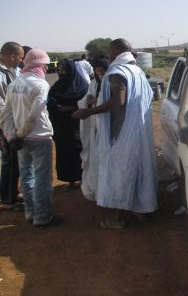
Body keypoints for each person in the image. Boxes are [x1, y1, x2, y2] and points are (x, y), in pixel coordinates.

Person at [73, 38, 157, 228]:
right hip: (138, 130)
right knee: (137, 168)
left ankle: (118, 218)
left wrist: (89, 112)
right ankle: (141, 207)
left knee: (121, 171)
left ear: (115, 52)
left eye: (110, 51)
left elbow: (118, 101)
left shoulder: (117, 72)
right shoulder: (137, 71)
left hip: (120, 133)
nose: (109, 55)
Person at [0, 49, 63, 227]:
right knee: (42, 178)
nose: (45, 68)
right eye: (44, 65)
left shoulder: (15, 84)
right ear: (40, 66)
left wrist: (13, 136)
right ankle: (43, 217)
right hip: (39, 137)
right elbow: (35, 114)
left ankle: (30, 212)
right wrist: (20, 134)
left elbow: (5, 114)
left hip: (20, 141)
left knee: (26, 176)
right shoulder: (41, 85)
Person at [47, 59, 88, 190]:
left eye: (64, 70)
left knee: (79, 149)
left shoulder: (82, 86)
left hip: (78, 124)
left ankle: (84, 178)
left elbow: (87, 103)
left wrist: (71, 107)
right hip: (61, 125)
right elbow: (51, 102)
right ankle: (70, 179)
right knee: (64, 151)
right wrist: (58, 108)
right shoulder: (57, 86)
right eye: (59, 71)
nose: (62, 73)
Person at [77, 57, 108, 200]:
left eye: (103, 70)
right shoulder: (94, 83)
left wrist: (98, 102)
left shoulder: (111, 83)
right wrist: (88, 101)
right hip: (95, 128)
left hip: (107, 127)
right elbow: (85, 100)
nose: (100, 73)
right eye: (97, 70)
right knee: (96, 156)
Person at [0, 42, 24, 211]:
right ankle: (8, 200)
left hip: (17, 122)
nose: (21, 60)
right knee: (9, 161)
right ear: (11, 55)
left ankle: (12, 194)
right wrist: (4, 129)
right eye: (20, 56)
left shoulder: (15, 71)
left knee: (16, 161)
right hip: (5, 125)